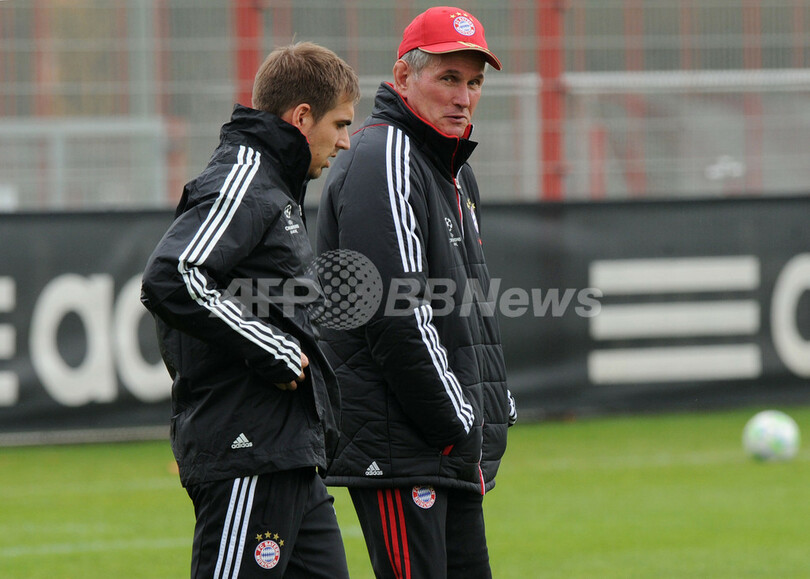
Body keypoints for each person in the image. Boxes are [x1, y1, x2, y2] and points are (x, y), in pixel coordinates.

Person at [140, 42, 359, 578]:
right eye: (340, 123)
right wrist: (272, 348)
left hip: (288, 453)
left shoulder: (275, 184)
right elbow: (172, 275)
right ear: (302, 117)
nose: (346, 141)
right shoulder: (245, 176)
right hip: (248, 450)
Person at [316, 6, 517, 579]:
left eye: (474, 83)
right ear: (403, 77)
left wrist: (490, 405)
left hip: (442, 448)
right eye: (448, 78)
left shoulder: (451, 167)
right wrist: (459, 419)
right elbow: (395, 313)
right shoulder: (385, 157)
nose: (463, 97)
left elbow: (465, 305)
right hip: (403, 448)